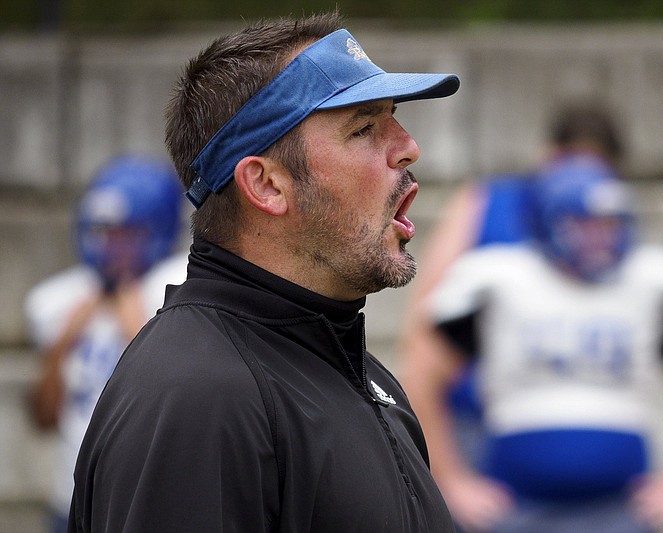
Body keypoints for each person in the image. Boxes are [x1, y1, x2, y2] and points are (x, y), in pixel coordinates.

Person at [68, 12, 460, 533]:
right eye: (364, 127)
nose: (408, 147)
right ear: (268, 185)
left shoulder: (360, 375)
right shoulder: (198, 398)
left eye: (395, 117)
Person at [402, 154, 663, 532]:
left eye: (607, 223)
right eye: (583, 223)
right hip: (517, 508)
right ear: (548, 221)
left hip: (620, 509)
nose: (597, 238)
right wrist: (453, 481)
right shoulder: (502, 280)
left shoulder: (649, 282)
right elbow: (423, 376)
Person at [25, 154, 187, 533]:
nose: (110, 246)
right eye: (104, 232)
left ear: (156, 232)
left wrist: (133, 324)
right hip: (70, 503)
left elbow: (173, 393)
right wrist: (64, 340)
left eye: (125, 234)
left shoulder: (174, 290)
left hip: (139, 505)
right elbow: (43, 417)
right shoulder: (66, 301)